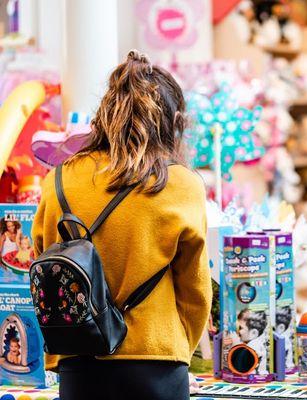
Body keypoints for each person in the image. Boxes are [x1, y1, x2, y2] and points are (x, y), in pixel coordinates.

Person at [32, 50, 211, 400]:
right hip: (156, 360)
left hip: (78, 360)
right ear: (172, 122)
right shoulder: (180, 185)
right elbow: (196, 291)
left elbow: (42, 261)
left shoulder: (57, 181)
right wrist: (176, 346)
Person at [236, 309, 268, 375]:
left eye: (241, 328)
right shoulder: (256, 343)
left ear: (253, 333)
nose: (238, 332)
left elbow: (249, 366)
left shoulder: (253, 346)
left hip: (255, 376)